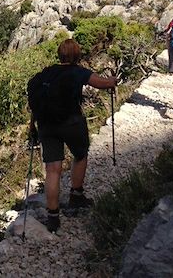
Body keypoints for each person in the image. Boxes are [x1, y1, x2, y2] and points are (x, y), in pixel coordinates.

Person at [28, 39, 117, 233]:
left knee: (53, 169)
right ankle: (76, 195)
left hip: (46, 126)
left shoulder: (44, 74)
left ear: (59, 55)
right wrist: (112, 82)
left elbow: (35, 105)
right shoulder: (77, 71)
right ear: (76, 55)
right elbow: (100, 83)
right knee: (80, 154)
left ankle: (53, 217)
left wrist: (32, 127)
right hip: (71, 123)